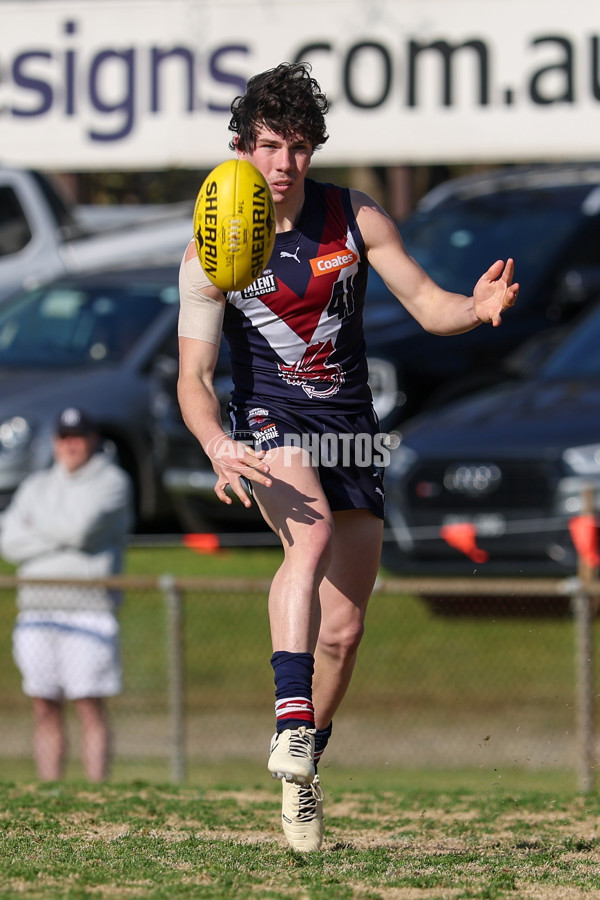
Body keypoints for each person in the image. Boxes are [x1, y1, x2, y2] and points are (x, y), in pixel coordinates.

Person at [177, 62, 519, 851]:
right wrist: (216, 442)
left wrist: (478, 306)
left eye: (299, 147)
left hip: (352, 429)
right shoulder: (212, 250)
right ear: (240, 147)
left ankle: (304, 768)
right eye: (269, 145)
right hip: (270, 421)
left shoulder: (354, 216)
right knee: (313, 537)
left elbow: (431, 306)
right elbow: (194, 379)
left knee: (345, 632)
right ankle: (290, 720)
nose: (285, 163)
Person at [0, 406, 133, 782]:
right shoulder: (35, 485)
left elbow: (80, 531)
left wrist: (32, 524)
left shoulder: (112, 482)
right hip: (37, 609)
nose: (70, 444)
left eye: (78, 436)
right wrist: (51, 532)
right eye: (64, 437)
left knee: (88, 704)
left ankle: (96, 789)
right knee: (44, 705)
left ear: (93, 439)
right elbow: (8, 542)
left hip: (87, 609)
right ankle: (50, 789)